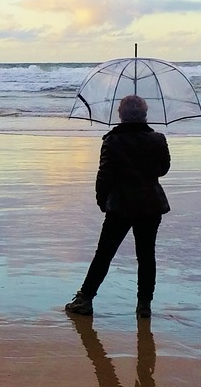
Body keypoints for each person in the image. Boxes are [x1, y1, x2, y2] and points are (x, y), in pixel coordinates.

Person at [65, 94, 170, 318]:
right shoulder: (158, 139)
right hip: (151, 204)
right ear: (144, 114)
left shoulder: (112, 141)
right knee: (146, 255)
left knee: (104, 254)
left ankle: (85, 300)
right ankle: (144, 306)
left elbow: (104, 176)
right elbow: (163, 169)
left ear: (121, 114)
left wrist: (102, 201)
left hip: (120, 206)